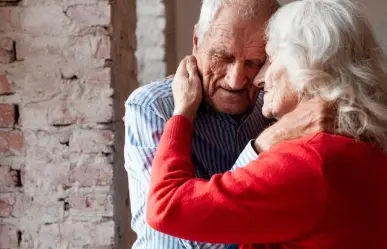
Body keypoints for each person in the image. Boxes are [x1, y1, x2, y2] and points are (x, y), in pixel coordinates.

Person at [146, 0, 387, 249]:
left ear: (305, 64)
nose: (258, 78)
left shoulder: (308, 163)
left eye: (267, 59)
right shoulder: (367, 148)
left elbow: (166, 206)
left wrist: (182, 114)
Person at [125, 0, 329, 248]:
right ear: (197, 41)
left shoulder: (275, 103)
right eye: (222, 57)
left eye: (255, 62)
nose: (235, 80)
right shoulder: (154, 108)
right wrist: (266, 143)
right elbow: (185, 236)